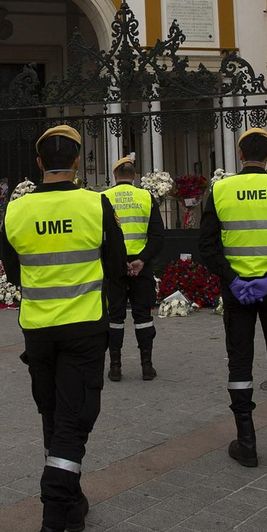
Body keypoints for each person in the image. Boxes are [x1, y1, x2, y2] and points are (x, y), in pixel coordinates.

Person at [3, 125, 127, 532]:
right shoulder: (96, 203)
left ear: (39, 163)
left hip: (38, 331)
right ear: (78, 162)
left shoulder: (17, 210)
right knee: (73, 426)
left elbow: (13, 270)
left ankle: (72, 503)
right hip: (83, 330)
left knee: (53, 417)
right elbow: (115, 266)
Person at [198, 128, 267, 470]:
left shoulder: (220, 190)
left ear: (239, 153)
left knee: (239, 364)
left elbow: (207, 246)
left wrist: (233, 279)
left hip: (237, 293)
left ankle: (246, 444)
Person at [102, 155, 164, 381]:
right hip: (142, 266)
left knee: (115, 316)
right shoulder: (146, 197)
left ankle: (115, 367)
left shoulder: (103, 198)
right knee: (143, 315)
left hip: (114, 267)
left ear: (115, 175)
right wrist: (142, 260)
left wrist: (117, 262)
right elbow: (157, 236)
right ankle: (147, 366)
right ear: (134, 176)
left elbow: (99, 238)